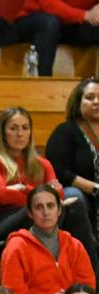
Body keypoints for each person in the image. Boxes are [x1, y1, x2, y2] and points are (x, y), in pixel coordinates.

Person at [0, 107, 98, 269]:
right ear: (2, 132)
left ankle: (91, 283)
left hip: (41, 214)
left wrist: (22, 188)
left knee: (75, 205)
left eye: (25, 128)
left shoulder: (41, 163)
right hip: (7, 220)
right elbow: (1, 195)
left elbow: (58, 194)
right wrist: (42, 194)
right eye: (13, 128)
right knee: (54, 210)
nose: (20, 133)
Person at [0, 185, 96, 294]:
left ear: (59, 210)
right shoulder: (16, 247)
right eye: (39, 207)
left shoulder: (74, 245)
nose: (45, 212)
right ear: (30, 213)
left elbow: (88, 288)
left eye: (50, 206)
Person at [46, 77, 99, 234]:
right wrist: (95, 188)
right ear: (78, 102)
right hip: (84, 194)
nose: (96, 101)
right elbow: (60, 171)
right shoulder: (65, 131)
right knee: (74, 196)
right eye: (90, 98)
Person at [14, 1, 99, 78]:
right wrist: (85, 15)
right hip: (36, 19)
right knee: (49, 23)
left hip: (74, 23)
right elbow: (48, 5)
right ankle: (43, 83)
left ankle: (91, 86)